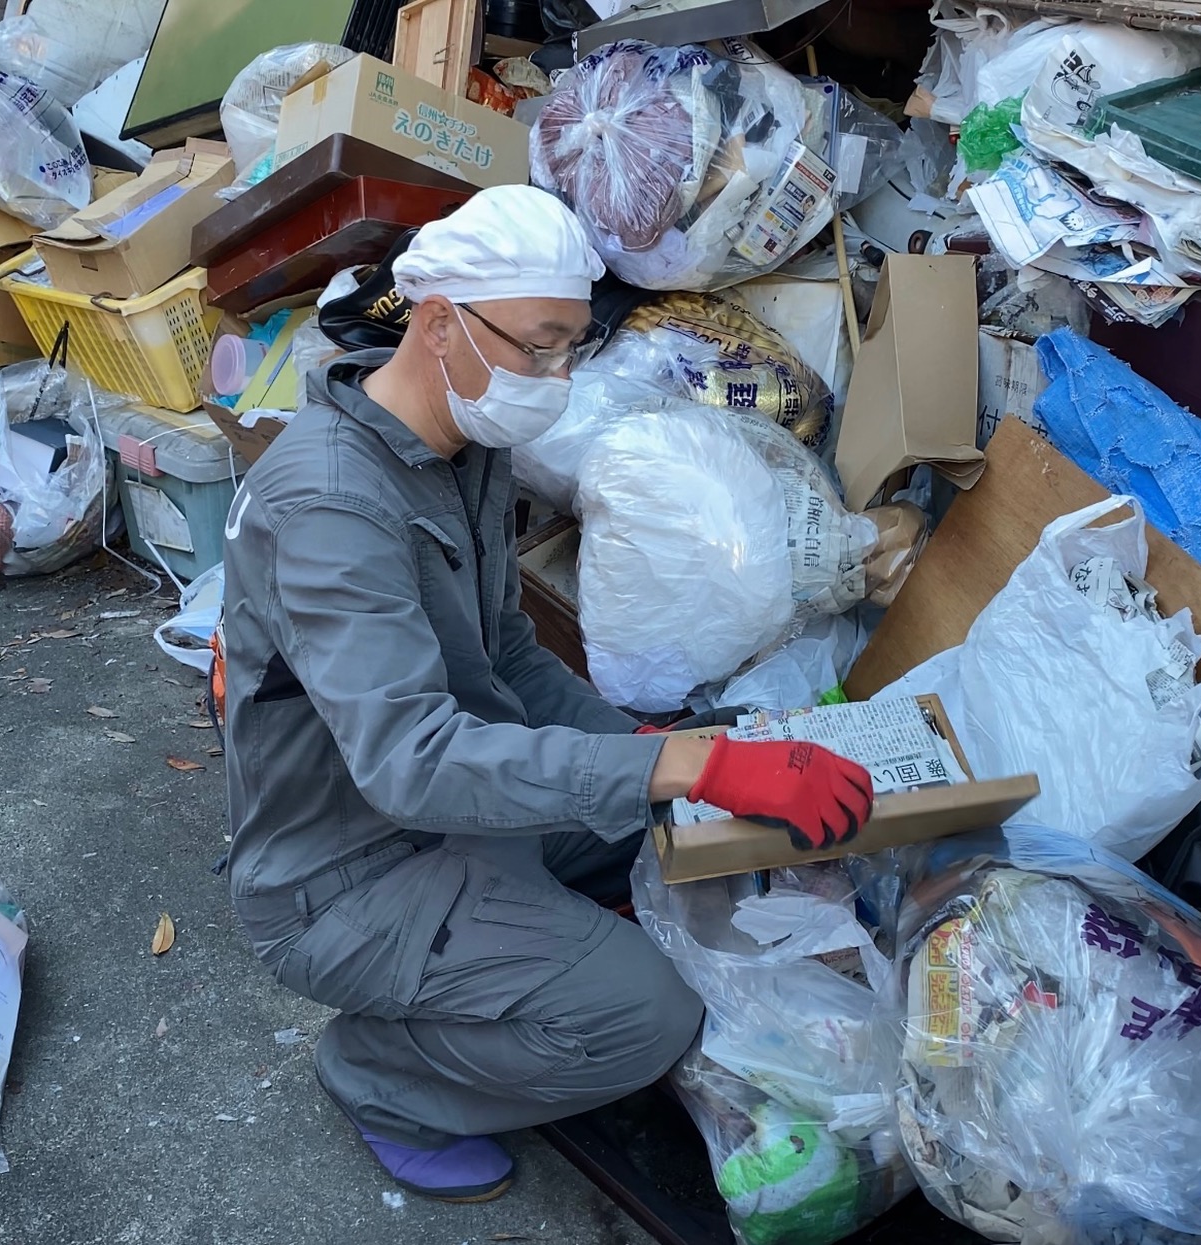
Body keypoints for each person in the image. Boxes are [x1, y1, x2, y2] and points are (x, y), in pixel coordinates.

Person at [220, 184, 873, 1205]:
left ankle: (519, 932)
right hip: (347, 874)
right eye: (537, 344)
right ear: (437, 323)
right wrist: (681, 762)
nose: (557, 374)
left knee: (682, 818)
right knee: (643, 1018)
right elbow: (412, 763)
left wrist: (676, 766)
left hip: (456, 812)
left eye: (572, 344)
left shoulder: (463, 447)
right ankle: (379, 1077)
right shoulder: (327, 508)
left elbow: (511, 662)